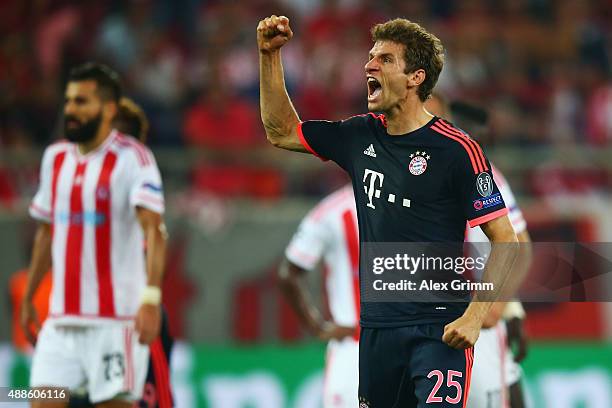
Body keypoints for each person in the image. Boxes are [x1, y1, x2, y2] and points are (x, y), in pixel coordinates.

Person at [258, 15, 519, 406]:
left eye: (385, 59)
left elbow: (505, 240)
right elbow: (281, 131)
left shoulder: (457, 150)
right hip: (379, 329)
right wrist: (269, 56)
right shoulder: (359, 134)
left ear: (415, 77)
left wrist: (475, 315)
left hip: (440, 328)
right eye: (370, 57)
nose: (369, 65)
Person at [22, 62, 167, 408]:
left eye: (82, 102)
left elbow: (155, 230)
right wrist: (30, 296)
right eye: (69, 101)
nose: (71, 110)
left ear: (109, 108)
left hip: (116, 324)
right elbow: (46, 232)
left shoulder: (134, 159)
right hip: (61, 322)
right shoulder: (55, 158)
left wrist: (150, 298)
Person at [426, 94, 531, 408]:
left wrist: (500, 306)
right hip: (413, 328)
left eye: (433, 121)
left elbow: (517, 245)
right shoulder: (386, 176)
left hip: (472, 326)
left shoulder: (480, 173)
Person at [279, 185, 359, 407]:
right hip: (362, 347)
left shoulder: (331, 210)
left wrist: (318, 327)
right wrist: (317, 327)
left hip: (353, 349)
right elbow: (288, 275)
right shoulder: (414, 203)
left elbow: (287, 273)